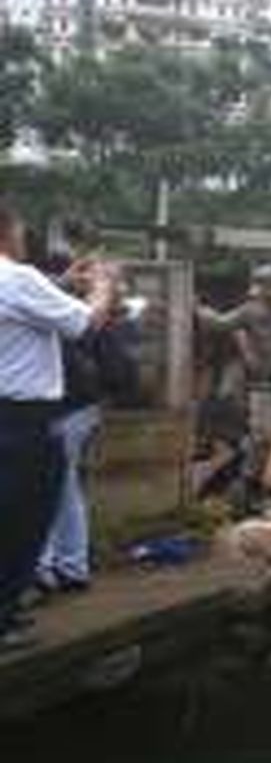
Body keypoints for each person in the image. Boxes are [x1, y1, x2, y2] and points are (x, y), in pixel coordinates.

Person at [0, 201, 113, 652]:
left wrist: (63, 284)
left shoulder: (20, 284)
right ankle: (3, 617)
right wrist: (103, 287)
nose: (26, 239)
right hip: (25, 420)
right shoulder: (18, 278)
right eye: (21, 230)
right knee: (24, 518)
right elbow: (87, 324)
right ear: (5, 231)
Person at [36, 258, 137, 596]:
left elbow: (117, 368)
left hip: (69, 406)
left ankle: (48, 566)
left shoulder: (76, 315)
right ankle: (68, 565)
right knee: (64, 485)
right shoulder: (70, 307)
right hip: (78, 406)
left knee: (50, 484)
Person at [197, 265, 271, 516]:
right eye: (261, 288)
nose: (264, 293)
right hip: (265, 385)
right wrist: (196, 308)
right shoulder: (250, 312)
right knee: (263, 436)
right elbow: (219, 324)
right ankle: (247, 489)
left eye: (270, 287)